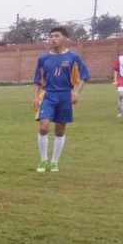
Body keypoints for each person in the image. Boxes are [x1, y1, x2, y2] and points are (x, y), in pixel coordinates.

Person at [32, 27, 90, 173]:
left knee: (59, 130)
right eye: (51, 36)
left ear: (64, 38)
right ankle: (43, 161)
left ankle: (54, 162)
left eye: (56, 36)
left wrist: (76, 92)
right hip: (48, 95)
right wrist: (35, 96)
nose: (53, 39)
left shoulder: (73, 57)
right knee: (43, 127)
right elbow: (38, 79)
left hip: (65, 96)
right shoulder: (43, 59)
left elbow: (84, 76)